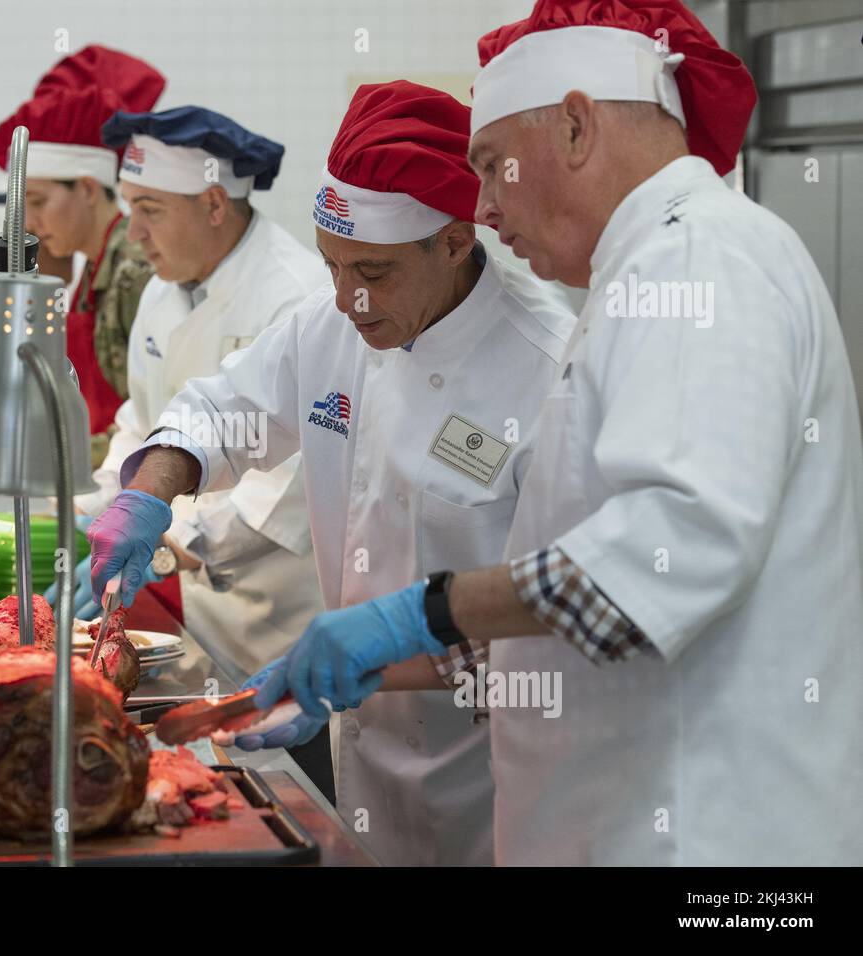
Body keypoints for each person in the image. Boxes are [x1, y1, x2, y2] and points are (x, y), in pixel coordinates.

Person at [259, 0, 863, 865]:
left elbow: (670, 553)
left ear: (577, 125)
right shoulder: (642, 275)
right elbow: (587, 589)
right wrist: (389, 662)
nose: (486, 212)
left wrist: (421, 613)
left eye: (493, 167)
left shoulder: (698, 264)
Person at [84, 82, 577, 865]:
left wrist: (379, 655)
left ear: (455, 241)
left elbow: (562, 619)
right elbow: (222, 411)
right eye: (330, 264)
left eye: (373, 272)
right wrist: (147, 494)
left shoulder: (551, 369)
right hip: (362, 769)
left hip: (491, 786)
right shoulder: (334, 322)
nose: (346, 298)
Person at [56, 106, 326, 678]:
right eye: (131, 209)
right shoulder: (164, 288)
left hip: (276, 622)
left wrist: (167, 543)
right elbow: (142, 419)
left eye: (150, 210)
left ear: (213, 204)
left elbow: (289, 484)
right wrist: (90, 511)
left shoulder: (298, 295)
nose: (134, 233)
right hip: (193, 615)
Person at [0, 45, 164, 467]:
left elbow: (152, 416)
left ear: (87, 189)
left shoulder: (135, 269)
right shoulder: (93, 269)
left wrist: (57, 462)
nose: (28, 222)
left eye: (39, 202)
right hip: (107, 480)